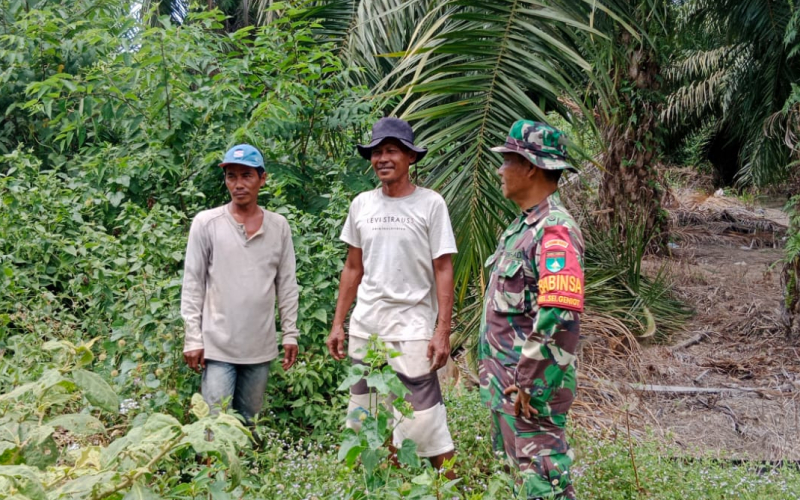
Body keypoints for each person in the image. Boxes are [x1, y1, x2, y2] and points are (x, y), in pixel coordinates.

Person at [326, 117, 457, 472]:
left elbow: (443, 268)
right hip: (367, 327)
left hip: (413, 327)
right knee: (366, 418)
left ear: (410, 158)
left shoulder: (430, 204)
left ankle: (451, 489)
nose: (383, 159)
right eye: (377, 152)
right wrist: (338, 323)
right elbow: (353, 268)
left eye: (392, 151)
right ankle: (383, 486)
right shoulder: (361, 205)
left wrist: (442, 330)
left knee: (424, 422)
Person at [479, 120, 584, 499]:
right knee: (518, 484)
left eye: (506, 161)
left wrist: (530, 383)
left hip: (528, 395)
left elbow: (560, 315)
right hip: (508, 391)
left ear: (530, 167)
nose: (499, 170)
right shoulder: (522, 228)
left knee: (544, 486)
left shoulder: (554, 231)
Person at [181, 144, 300, 427]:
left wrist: (290, 333)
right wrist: (193, 338)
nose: (238, 184)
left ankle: (242, 471)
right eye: (231, 176)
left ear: (262, 179)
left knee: (249, 422)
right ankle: (213, 472)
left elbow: (286, 284)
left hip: (259, 346)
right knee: (215, 424)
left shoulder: (278, 227)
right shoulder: (207, 223)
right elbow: (193, 283)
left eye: (246, 176)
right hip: (218, 345)